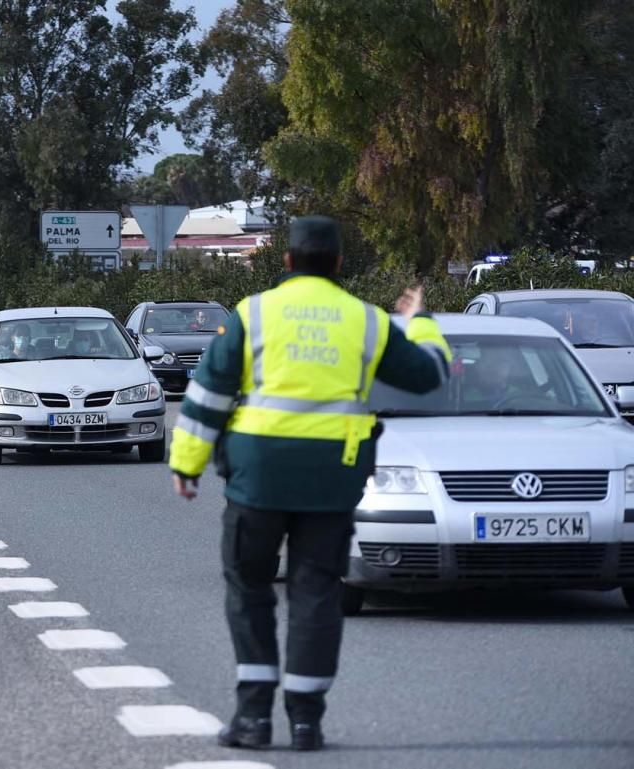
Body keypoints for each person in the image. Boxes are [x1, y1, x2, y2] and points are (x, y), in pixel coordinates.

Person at [169, 216, 451, 752]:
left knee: (250, 587)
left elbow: (208, 394)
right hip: (332, 480)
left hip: (257, 479)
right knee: (317, 593)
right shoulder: (366, 321)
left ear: (287, 260)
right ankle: (306, 722)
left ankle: (253, 719)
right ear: (339, 263)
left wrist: (186, 466)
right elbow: (430, 376)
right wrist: (421, 322)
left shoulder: (253, 313)